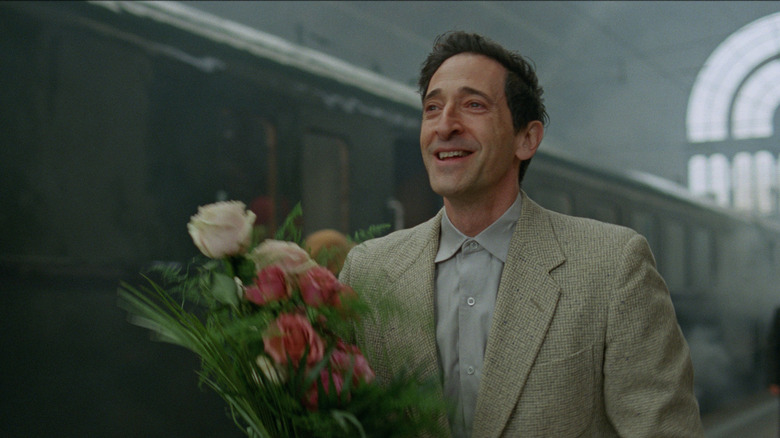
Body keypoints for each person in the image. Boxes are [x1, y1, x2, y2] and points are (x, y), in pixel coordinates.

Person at [339, 31, 703, 437]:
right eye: (432, 107)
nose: (445, 126)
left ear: (526, 139)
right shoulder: (367, 272)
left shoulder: (613, 266)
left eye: (473, 105)